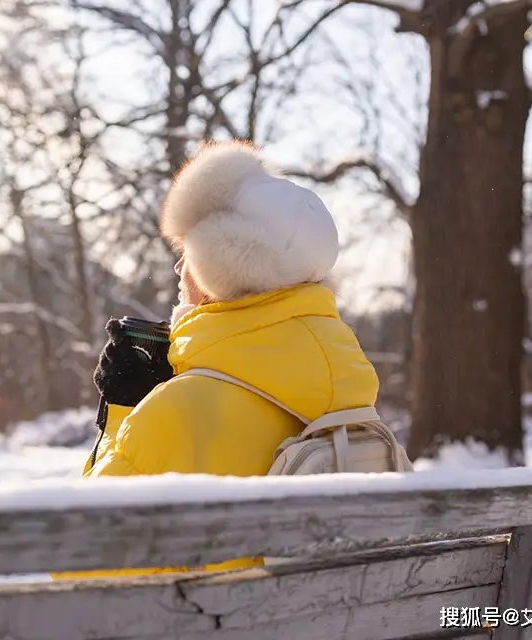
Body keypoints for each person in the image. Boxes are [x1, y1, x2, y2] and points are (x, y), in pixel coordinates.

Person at [57, 139, 379, 579]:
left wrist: (125, 413)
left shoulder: (181, 412)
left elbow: (75, 565)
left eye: (187, 255)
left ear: (217, 272)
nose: (178, 271)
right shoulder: (352, 398)